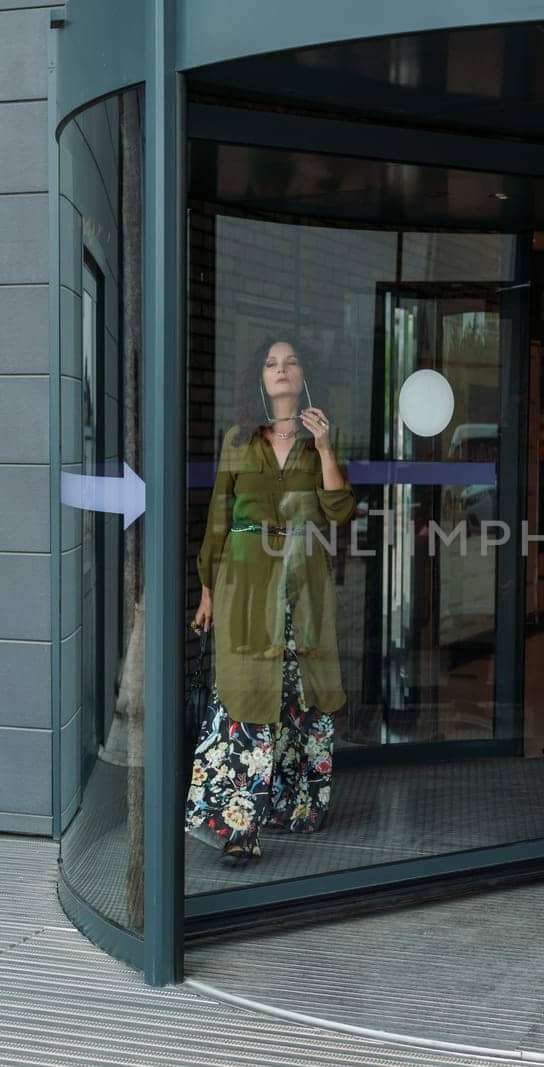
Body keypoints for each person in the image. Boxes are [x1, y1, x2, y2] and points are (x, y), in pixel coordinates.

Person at [186, 338, 355, 862]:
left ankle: (293, 805)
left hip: (303, 584)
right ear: (259, 379)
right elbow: (219, 513)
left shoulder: (321, 437)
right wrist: (207, 587)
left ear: (305, 377)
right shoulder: (238, 439)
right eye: (270, 364)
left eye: (290, 363)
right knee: (244, 693)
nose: (280, 371)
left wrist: (325, 449)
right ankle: (238, 828)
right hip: (243, 582)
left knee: (299, 694)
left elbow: (340, 511)